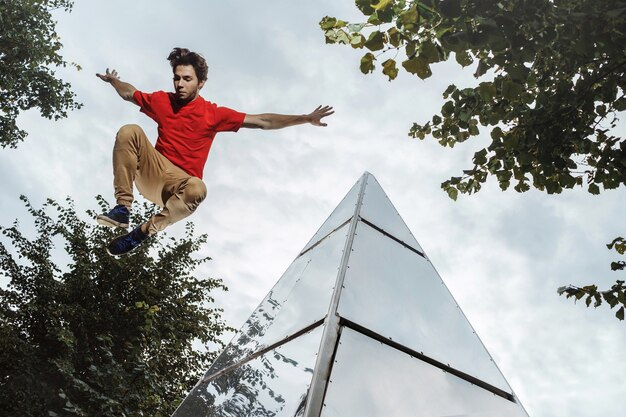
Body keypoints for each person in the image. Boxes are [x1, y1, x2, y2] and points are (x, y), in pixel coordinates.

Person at [96, 47, 334, 256]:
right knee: (129, 131)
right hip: (152, 172)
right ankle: (122, 209)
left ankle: (140, 234)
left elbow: (262, 121)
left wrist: (305, 118)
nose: (180, 84)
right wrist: (114, 81)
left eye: (187, 79)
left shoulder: (213, 114)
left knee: (198, 187)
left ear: (200, 83)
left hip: (178, 187)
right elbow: (130, 93)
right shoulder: (162, 101)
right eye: (176, 78)